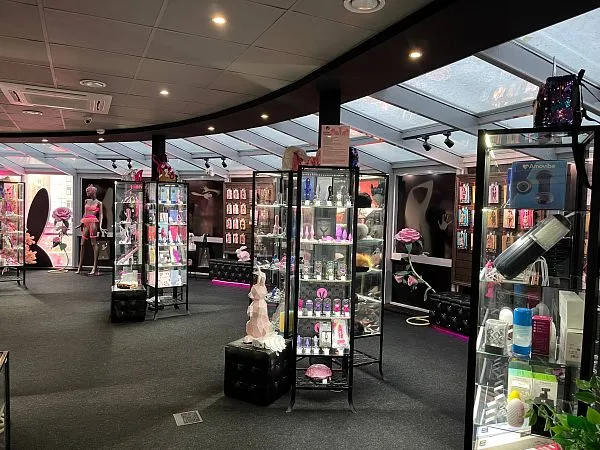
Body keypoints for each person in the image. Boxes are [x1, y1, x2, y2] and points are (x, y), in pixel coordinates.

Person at [76, 184, 104, 275]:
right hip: (85, 222)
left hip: (93, 223)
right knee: (82, 244)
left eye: (88, 191)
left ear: (93, 192)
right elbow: (85, 213)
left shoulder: (99, 203)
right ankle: (79, 267)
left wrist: (100, 226)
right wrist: (81, 222)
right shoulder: (86, 201)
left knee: (93, 244)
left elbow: (101, 215)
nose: (87, 193)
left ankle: (94, 268)